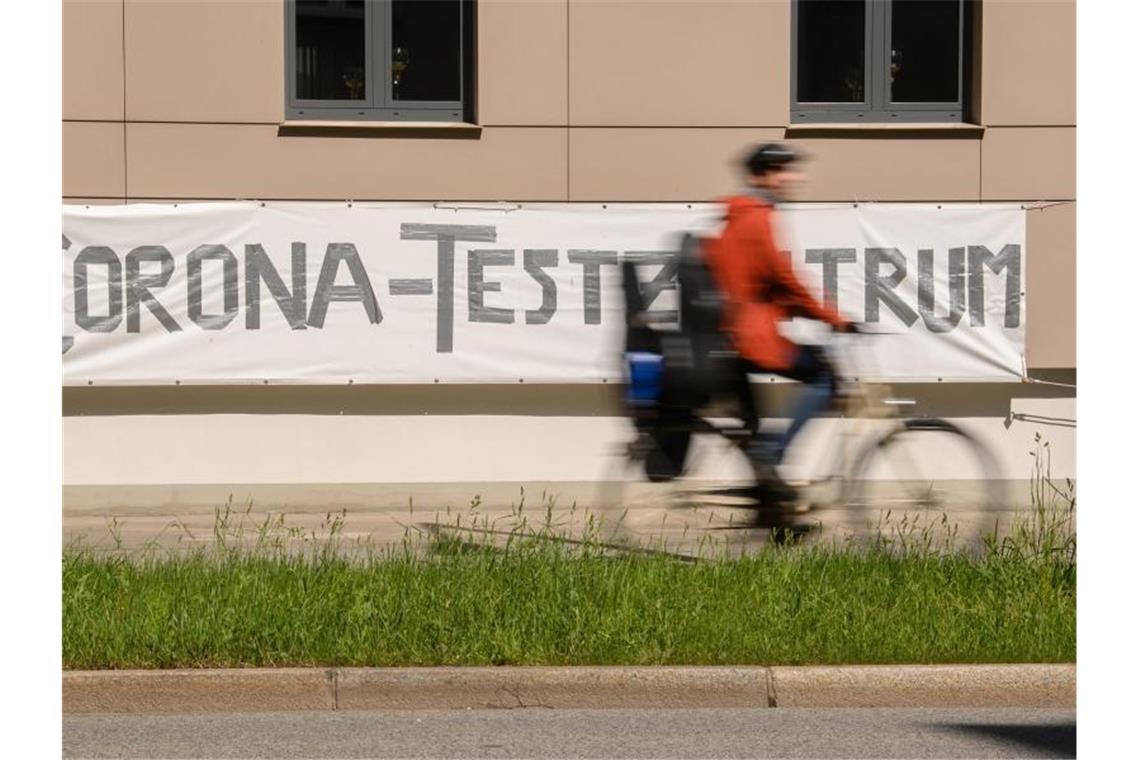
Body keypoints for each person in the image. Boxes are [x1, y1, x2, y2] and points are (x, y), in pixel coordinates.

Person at [703, 143, 858, 501]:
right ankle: (773, 455)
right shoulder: (757, 218)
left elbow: (767, 284)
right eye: (784, 171)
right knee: (824, 376)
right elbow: (785, 278)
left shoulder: (738, 216)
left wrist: (805, 312)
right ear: (763, 177)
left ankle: (778, 512)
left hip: (728, 336)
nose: (795, 178)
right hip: (747, 336)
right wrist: (835, 319)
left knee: (756, 440)